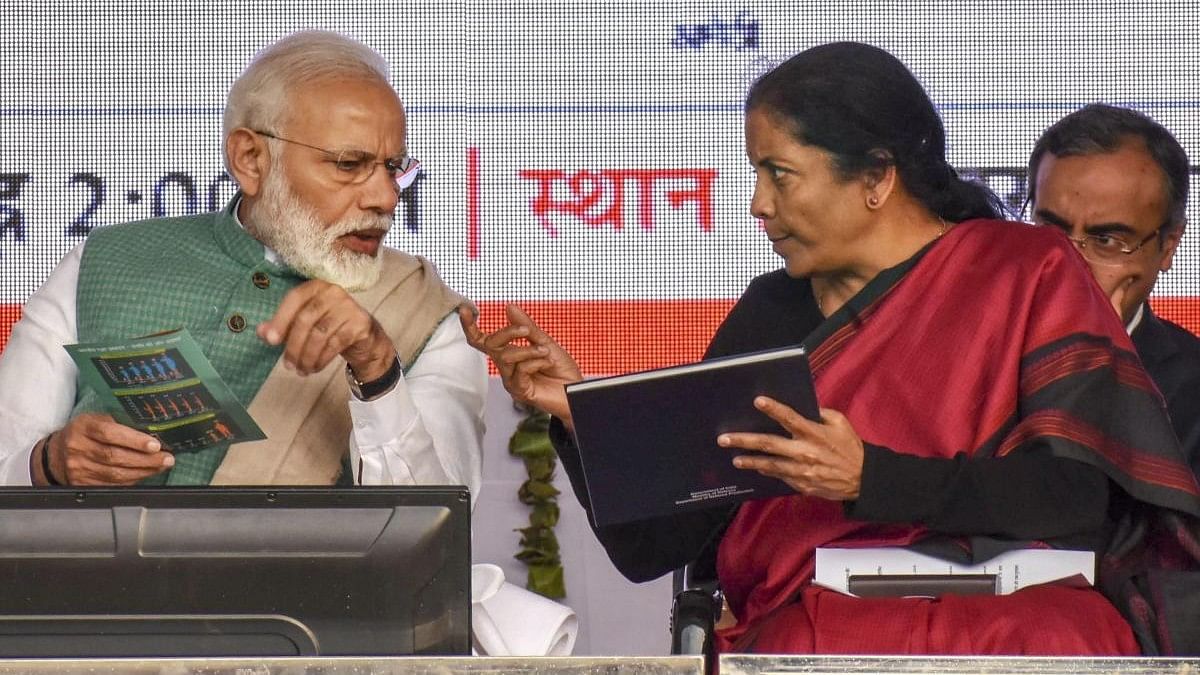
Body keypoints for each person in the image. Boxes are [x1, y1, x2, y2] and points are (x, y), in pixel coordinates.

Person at [463, 42, 1200, 654]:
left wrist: (867, 475)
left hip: (1017, 631)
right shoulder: (772, 311)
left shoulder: (1023, 270)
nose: (757, 203)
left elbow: (1076, 502)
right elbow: (656, 544)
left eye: (778, 174)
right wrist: (577, 415)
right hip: (811, 638)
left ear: (876, 178)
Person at [0, 31, 486, 493]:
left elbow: (438, 523)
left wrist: (377, 367)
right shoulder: (102, 262)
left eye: (393, 167)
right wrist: (49, 464)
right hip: (90, 579)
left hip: (305, 582)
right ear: (251, 159)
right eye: (348, 165)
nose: (385, 197)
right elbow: (8, 460)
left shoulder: (428, 312)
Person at [1028, 103, 1200, 478]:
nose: (1067, 262)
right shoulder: (971, 358)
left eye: (1105, 239)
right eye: (1051, 231)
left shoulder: (1193, 393)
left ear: (1168, 246)